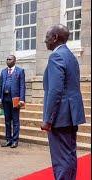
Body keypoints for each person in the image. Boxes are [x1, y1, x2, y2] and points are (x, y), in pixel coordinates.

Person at [41, 24, 86, 180]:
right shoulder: (71, 56)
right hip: (71, 114)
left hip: (60, 116)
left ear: (55, 38)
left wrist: (47, 119)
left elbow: (55, 91)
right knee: (70, 154)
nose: (45, 40)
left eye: (47, 37)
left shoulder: (56, 56)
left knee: (61, 159)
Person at [0, 55, 25, 148]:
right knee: (7, 120)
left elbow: (22, 86)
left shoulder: (20, 71)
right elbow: (1, 85)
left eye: (10, 59)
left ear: (14, 61)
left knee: (15, 120)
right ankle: (8, 139)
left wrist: (22, 99)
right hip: (5, 99)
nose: (8, 60)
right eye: (7, 59)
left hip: (15, 99)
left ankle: (15, 140)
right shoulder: (3, 71)